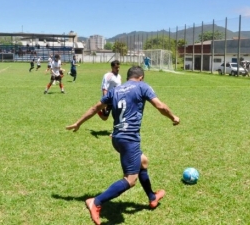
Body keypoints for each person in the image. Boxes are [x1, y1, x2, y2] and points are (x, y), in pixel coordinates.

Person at [66, 66, 180, 225]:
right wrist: (173, 116)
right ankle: (96, 202)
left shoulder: (116, 90)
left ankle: (152, 197)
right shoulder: (143, 86)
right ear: (141, 77)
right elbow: (160, 106)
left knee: (143, 162)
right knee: (130, 180)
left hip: (117, 138)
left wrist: (78, 123)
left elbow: (95, 108)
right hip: (129, 139)